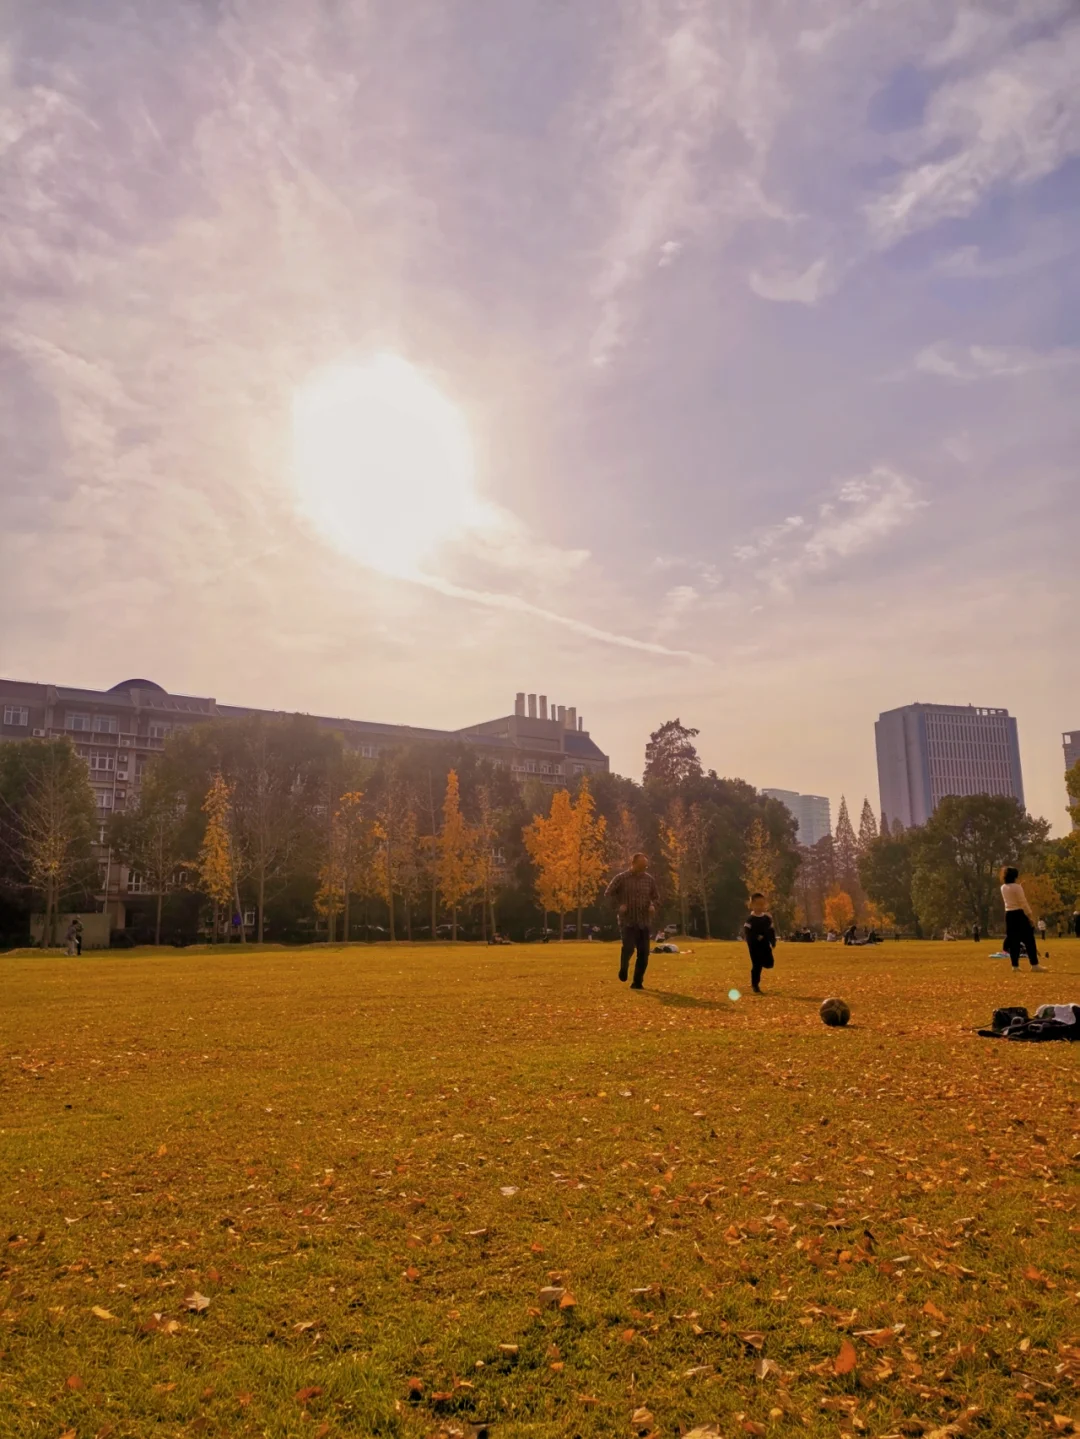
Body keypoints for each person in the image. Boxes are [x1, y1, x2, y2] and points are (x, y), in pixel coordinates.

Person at [605, 852, 660, 989]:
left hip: (644, 922)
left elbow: (656, 897)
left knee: (644, 953)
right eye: (641, 866)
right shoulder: (621, 878)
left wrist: (653, 905)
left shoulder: (649, 880)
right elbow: (608, 894)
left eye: (645, 867)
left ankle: (637, 982)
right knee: (629, 948)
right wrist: (618, 906)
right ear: (633, 864)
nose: (643, 869)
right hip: (627, 921)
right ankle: (623, 968)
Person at [1000, 867, 1046, 971]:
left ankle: (1015, 966)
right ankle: (1034, 964)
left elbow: (1012, 895)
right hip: (1019, 914)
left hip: (1009, 915)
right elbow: (1022, 902)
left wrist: (1019, 887)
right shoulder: (1017, 887)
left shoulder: (1003, 887)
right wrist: (1030, 915)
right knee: (1029, 940)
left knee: (1013, 941)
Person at [743, 891, 777, 994]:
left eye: (762, 904)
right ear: (752, 905)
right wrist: (756, 937)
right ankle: (755, 985)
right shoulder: (751, 919)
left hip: (765, 944)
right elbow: (747, 931)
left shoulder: (767, 918)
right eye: (757, 904)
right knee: (757, 965)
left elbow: (771, 930)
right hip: (754, 946)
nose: (760, 907)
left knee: (770, 963)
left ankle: (762, 962)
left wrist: (773, 940)